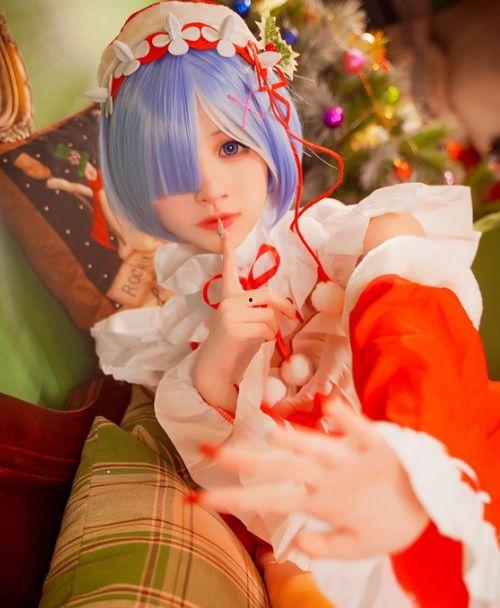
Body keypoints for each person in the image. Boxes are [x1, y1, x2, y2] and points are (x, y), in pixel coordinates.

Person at [88, 2, 500, 606]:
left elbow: (431, 345)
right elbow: (245, 487)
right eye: (173, 169)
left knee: (392, 236)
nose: (210, 190)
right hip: (319, 534)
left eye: (231, 147)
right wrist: (216, 369)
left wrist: (409, 458)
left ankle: (416, 484)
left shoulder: (348, 239)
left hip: (446, 454)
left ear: (267, 134)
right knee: (297, 574)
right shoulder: (184, 330)